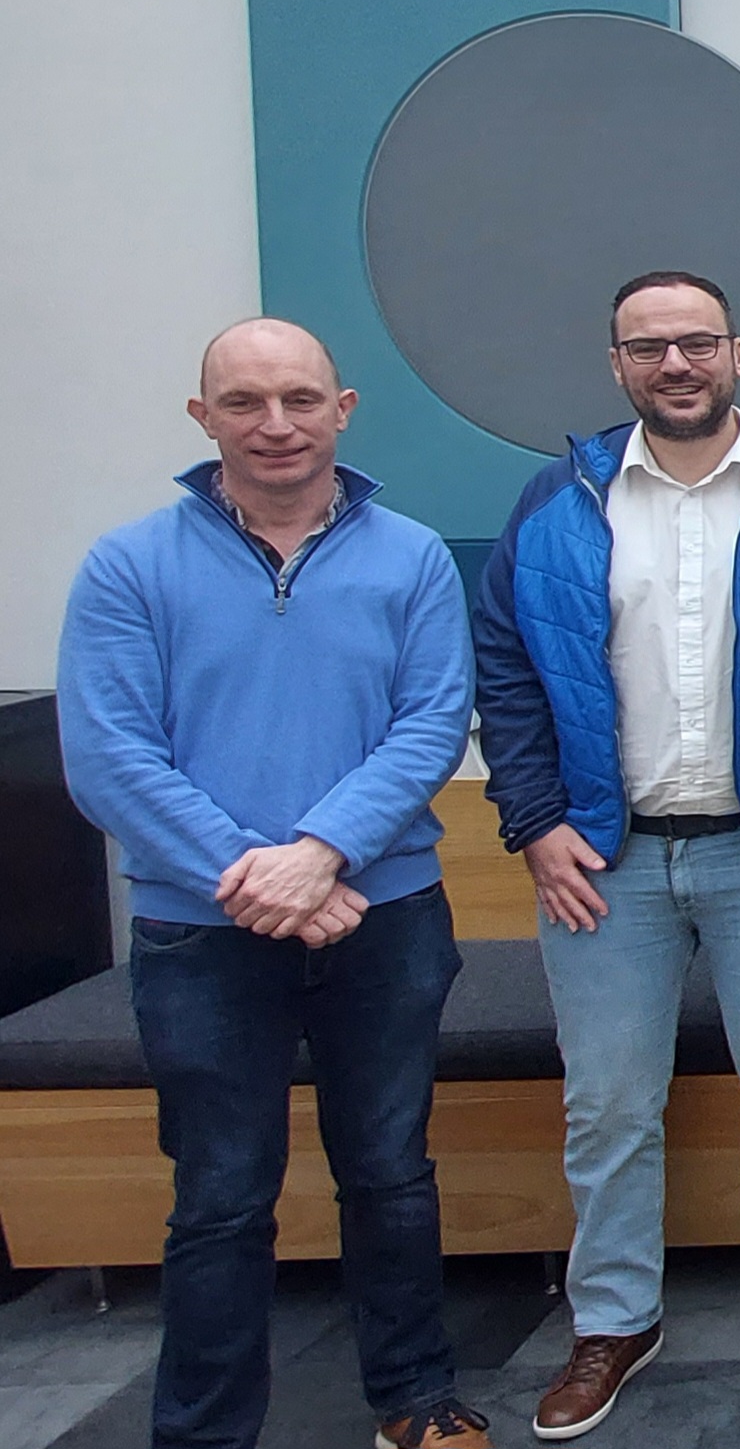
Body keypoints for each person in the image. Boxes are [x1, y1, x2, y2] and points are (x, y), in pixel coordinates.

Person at [57, 320, 487, 1449]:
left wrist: (322, 852)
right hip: (201, 936)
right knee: (220, 1197)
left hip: (382, 916)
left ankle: (414, 1397)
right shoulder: (129, 564)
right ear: (201, 418)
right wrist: (258, 874)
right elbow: (110, 753)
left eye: (299, 398)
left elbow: (434, 721)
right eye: (244, 402)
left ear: (344, 408)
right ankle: (202, 1432)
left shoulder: (410, 557)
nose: (276, 423)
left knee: (391, 1172)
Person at [472, 271, 740, 1441]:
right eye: (648, 346)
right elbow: (505, 669)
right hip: (602, 859)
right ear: (617, 365)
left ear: (739, 353)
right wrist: (536, 819)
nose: (676, 362)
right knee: (607, 1101)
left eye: (697, 341)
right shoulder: (558, 501)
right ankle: (613, 1317)